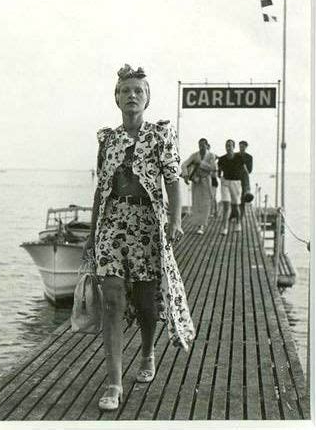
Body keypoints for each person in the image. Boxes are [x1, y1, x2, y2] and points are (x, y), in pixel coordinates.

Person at [84, 64, 195, 411]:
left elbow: (174, 181)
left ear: (147, 99)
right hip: (113, 222)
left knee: (147, 302)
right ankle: (114, 382)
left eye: (138, 91)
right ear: (116, 98)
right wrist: (91, 232)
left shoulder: (160, 136)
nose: (132, 95)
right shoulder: (108, 139)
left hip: (148, 224)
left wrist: (175, 221)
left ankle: (147, 352)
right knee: (113, 299)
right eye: (125, 90)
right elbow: (100, 188)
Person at [181, 138, 217, 234]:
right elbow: (184, 164)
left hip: (206, 181)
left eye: (203, 145)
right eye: (199, 145)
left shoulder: (211, 155)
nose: (201, 147)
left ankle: (202, 226)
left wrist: (201, 164)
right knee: (197, 203)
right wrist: (185, 176)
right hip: (196, 181)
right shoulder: (194, 155)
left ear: (206, 145)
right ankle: (198, 225)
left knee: (206, 203)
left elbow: (213, 168)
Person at [217, 139, 245, 235]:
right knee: (226, 205)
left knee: (236, 205)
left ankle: (238, 223)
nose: (228, 147)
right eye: (227, 145)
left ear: (233, 147)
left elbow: (244, 171)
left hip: (236, 183)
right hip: (225, 183)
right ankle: (225, 227)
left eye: (230, 145)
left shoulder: (239, 158)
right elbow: (219, 170)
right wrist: (220, 177)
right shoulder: (222, 159)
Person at [238, 140, 254, 217]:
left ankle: (242, 213)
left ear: (246, 147)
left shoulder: (249, 157)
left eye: (243, 146)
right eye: (240, 146)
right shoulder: (235, 156)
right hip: (235, 178)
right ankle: (235, 213)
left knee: (243, 197)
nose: (241, 148)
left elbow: (250, 170)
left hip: (244, 179)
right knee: (235, 196)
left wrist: (244, 167)